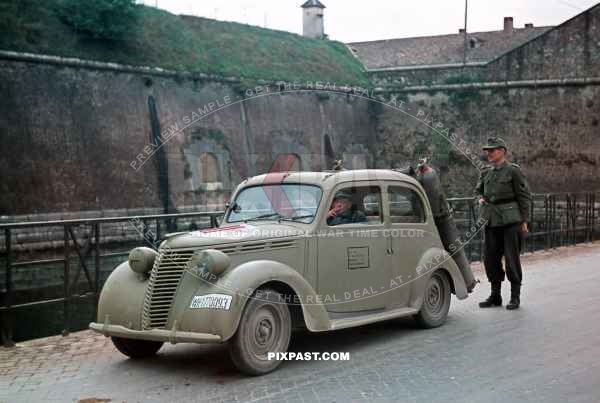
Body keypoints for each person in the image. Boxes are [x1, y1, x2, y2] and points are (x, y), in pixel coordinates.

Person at [475, 137, 531, 310]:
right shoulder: (486, 173)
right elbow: (478, 191)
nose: (489, 153)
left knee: (511, 258)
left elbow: (524, 196)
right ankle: (495, 295)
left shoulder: (513, 171)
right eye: (487, 151)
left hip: (511, 220)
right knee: (490, 258)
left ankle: (515, 297)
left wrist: (524, 221)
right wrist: (480, 199)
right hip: (492, 220)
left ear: (502, 151)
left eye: (492, 150)